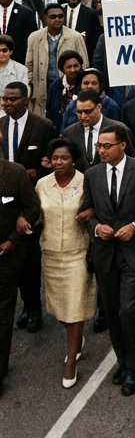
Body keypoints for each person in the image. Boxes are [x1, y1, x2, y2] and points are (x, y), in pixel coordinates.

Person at [80, 121, 135, 396]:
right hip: (105, 254)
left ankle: (133, 368)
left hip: (134, 252)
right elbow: (86, 211)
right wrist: (95, 228)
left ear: (122, 145)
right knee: (112, 312)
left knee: (129, 310)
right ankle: (123, 361)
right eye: (98, 146)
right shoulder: (92, 175)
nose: (101, 150)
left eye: (106, 146)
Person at [32, 136, 95, 387]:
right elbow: (37, 214)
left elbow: (99, 206)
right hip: (50, 254)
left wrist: (91, 212)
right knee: (60, 310)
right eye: (55, 158)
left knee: (74, 307)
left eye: (64, 158)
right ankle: (76, 339)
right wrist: (25, 221)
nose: (59, 162)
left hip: (77, 253)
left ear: (73, 160)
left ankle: (71, 360)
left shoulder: (86, 181)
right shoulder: (42, 184)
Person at [1, 80, 56, 331]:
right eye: (4, 99)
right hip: (5, 203)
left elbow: (54, 161)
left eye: (12, 99)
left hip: (32, 201)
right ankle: (21, 306)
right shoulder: (0, 125)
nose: (6, 103)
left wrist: (37, 171)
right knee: (11, 258)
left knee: (30, 259)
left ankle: (34, 308)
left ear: (25, 100)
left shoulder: (43, 126)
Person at [0, 154, 41, 391]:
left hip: (6, 257)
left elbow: (32, 206)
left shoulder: (15, 173)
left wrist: (14, 240)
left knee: (3, 316)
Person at [25, 2, 88, 117]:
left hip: (67, 85)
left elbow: (84, 65)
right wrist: (30, 87)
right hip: (41, 85)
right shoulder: (34, 37)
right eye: (53, 17)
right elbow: (29, 65)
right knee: (43, 120)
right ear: (45, 19)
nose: (57, 19)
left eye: (60, 16)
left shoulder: (75, 37)